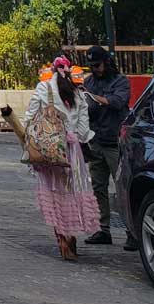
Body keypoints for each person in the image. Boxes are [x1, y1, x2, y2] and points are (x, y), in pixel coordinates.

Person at [25, 56, 101, 261]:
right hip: (73, 150)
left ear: (52, 69)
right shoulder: (79, 94)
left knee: (55, 191)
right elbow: (84, 130)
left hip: (50, 148)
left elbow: (30, 117)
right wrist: (76, 137)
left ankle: (62, 238)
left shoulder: (43, 89)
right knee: (73, 192)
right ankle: (71, 236)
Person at [82, 45, 133, 248]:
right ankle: (103, 230)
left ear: (107, 62)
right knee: (98, 188)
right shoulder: (89, 82)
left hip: (115, 142)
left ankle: (132, 232)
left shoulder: (121, 81)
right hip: (96, 140)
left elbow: (118, 102)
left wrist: (93, 98)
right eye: (92, 66)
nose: (95, 69)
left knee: (122, 187)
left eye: (98, 65)